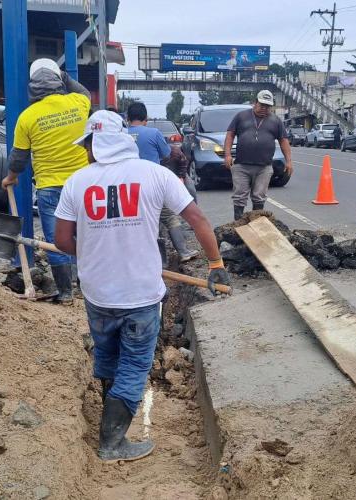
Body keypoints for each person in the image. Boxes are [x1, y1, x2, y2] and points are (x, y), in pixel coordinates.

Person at [53, 111, 230, 462]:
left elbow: (61, 240)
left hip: (97, 292)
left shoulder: (77, 182)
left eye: (87, 145)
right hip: (141, 294)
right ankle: (112, 442)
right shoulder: (156, 174)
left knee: (108, 355)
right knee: (134, 365)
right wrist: (215, 263)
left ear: (93, 144)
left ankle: (109, 417)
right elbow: (197, 220)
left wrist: (91, 249)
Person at [1, 58, 91, 304]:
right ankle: (88, 289)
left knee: (57, 242)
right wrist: (65, 77)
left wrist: (11, 178)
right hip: (83, 185)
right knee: (87, 236)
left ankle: (65, 293)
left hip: (50, 188)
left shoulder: (27, 117)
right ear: (59, 81)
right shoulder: (79, 103)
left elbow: (18, 158)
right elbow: (82, 90)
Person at [128, 102, 198, 262]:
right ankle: (183, 252)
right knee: (169, 217)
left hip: (127, 186)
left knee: (139, 222)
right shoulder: (153, 133)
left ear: (128, 118)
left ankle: (142, 258)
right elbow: (166, 154)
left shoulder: (121, 134)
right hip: (151, 183)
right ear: (145, 118)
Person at [224, 89, 293, 220]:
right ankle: (239, 226)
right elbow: (230, 134)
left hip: (264, 167)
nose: (264, 109)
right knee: (239, 196)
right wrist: (227, 155)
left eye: (267, 106)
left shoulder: (276, 121)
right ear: (255, 103)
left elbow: (283, 141)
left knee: (259, 196)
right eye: (262, 105)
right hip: (241, 166)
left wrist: (289, 161)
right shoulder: (241, 116)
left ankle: (256, 226)